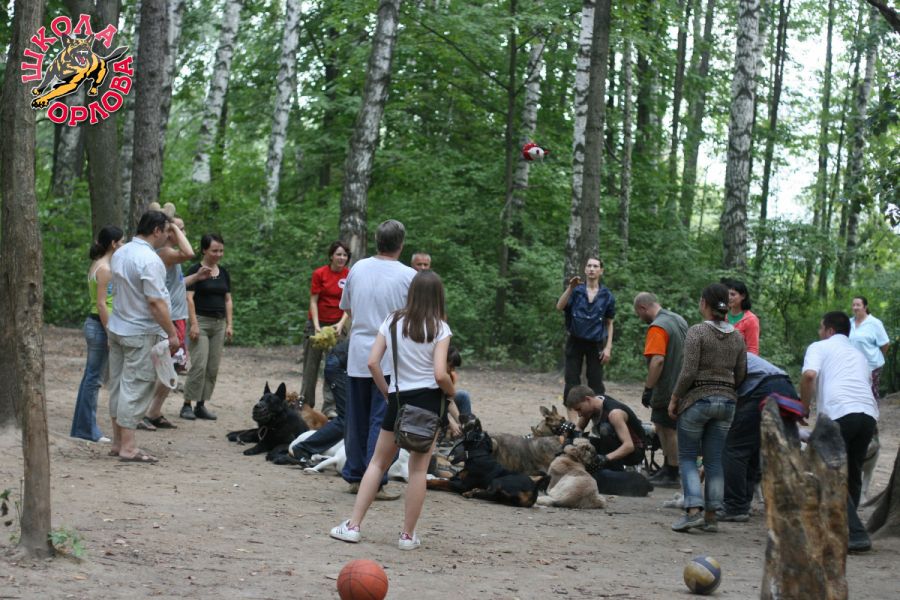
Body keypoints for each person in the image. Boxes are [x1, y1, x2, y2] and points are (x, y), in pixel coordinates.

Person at [330, 270, 455, 550]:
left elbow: (373, 362)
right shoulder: (441, 328)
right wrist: (451, 391)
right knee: (418, 470)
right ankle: (407, 536)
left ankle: (353, 526)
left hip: (399, 400)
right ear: (438, 297)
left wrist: (387, 392)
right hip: (430, 403)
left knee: (377, 463)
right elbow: (440, 374)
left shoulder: (393, 321)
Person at [339, 219, 416, 499]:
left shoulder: (357, 268)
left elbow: (347, 307)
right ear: (401, 244)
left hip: (359, 353)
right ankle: (376, 481)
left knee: (356, 419)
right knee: (381, 421)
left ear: (376, 240)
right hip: (391, 356)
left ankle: (355, 475)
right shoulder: (409, 276)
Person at [668, 283, 747, 533]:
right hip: (727, 403)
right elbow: (742, 373)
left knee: (688, 457)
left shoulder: (697, 331)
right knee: (714, 460)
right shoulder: (738, 337)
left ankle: (693, 511)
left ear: (704, 303)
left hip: (698, 400)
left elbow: (688, 371)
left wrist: (675, 397)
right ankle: (712, 516)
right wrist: (726, 389)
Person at [801, 310, 879, 552]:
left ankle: (855, 533)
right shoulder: (859, 354)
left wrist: (803, 407)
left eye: (820, 328)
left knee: (825, 471)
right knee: (852, 472)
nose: (819, 332)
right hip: (868, 415)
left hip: (839, 413)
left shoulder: (819, 347)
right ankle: (843, 529)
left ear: (829, 330)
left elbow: (809, 375)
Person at [106, 211, 180, 462]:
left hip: (118, 328)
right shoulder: (150, 260)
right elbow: (155, 302)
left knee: (118, 385)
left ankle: (118, 442)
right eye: (167, 231)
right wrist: (172, 334)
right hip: (140, 331)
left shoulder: (121, 252)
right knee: (135, 386)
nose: (168, 237)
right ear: (156, 230)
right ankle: (128, 447)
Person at [143, 210, 211, 430]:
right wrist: (172, 225)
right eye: (180, 229)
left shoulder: (170, 254)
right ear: (168, 232)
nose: (184, 233)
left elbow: (176, 284)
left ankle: (154, 412)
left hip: (178, 317)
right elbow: (189, 252)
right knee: (163, 367)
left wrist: (196, 277)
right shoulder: (164, 252)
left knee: (172, 367)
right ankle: (145, 411)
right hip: (170, 318)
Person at [721, 353, 799, 522]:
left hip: (765, 389)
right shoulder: (737, 352)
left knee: (735, 448)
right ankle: (745, 502)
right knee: (754, 446)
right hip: (787, 387)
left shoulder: (719, 356)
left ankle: (735, 506)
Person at [70, 225, 124, 442]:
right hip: (100, 326)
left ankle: (81, 427)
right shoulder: (104, 269)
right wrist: (110, 332)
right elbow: (102, 304)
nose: (123, 245)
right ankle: (87, 430)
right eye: (121, 241)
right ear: (113, 244)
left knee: (90, 378)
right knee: (94, 379)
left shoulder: (98, 264)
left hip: (96, 325)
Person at [633, 292, 688, 488]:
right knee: (663, 425)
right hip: (683, 382)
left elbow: (657, 360)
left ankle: (673, 472)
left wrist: (648, 389)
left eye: (639, 314)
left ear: (643, 308)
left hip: (667, 386)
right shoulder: (678, 320)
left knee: (667, 428)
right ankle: (668, 467)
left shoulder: (657, 327)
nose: (640, 317)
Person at [556, 257, 615, 422]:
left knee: (596, 383)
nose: (592, 269)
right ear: (585, 269)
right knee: (571, 382)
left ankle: (599, 424)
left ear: (601, 271)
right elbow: (559, 306)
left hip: (596, 343)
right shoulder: (576, 291)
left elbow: (609, 322)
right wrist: (570, 287)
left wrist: (608, 347)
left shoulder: (607, 295)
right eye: (589, 266)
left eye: (595, 266)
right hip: (575, 341)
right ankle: (573, 426)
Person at [181, 233, 233, 421]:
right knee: (199, 365)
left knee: (212, 367)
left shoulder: (224, 272)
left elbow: (227, 300)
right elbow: (189, 298)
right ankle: (187, 404)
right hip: (200, 322)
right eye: (214, 251)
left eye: (221, 251)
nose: (218, 254)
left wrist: (229, 324)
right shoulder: (195, 270)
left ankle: (201, 405)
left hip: (219, 324)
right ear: (204, 250)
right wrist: (194, 323)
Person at [300, 241, 350, 418]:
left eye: (345, 255)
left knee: (333, 367)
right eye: (338, 254)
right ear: (331, 256)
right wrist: (316, 326)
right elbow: (313, 300)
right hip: (316, 324)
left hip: (337, 327)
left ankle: (330, 407)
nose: (341, 258)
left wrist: (341, 324)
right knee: (310, 367)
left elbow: (349, 303)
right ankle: (306, 404)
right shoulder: (320, 273)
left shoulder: (349, 275)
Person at [290, 339, 350, 463]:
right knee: (347, 418)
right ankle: (303, 448)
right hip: (340, 364)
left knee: (354, 417)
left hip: (347, 363)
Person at [565, 385, 646, 471]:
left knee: (605, 428)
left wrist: (604, 458)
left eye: (579, 409)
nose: (579, 414)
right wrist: (569, 439)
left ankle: (616, 469)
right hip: (611, 445)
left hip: (633, 453)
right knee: (580, 444)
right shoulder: (593, 404)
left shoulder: (614, 414)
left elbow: (629, 446)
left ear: (588, 399)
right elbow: (579, 429)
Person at [849, 296, 890, 402]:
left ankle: (873, 412)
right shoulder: (849, 323)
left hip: (872, 365)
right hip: (853, 365)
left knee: (870, 393)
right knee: (855, 393)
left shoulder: (875, 323)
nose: (855, 307)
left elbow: (885, 344)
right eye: (853, 305)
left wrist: (877, 357)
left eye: (858, 305)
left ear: (865, 307)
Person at [721, 278, 759, 355]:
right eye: (727, 294)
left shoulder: (751, 319)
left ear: (743, 296)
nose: (729, 297)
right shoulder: (722, 316)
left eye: (732, 294)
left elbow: (753, 350)